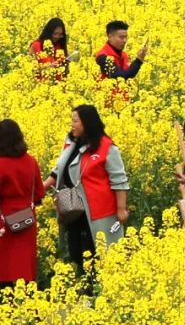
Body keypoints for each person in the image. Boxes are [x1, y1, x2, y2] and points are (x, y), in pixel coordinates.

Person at [42, 105, 130, 272]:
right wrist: (42, 187)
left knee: (101, 252)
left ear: (87, 123)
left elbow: (119, 180)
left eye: (75, 121)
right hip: (74, 209)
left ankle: (101, 291)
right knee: (77, 251)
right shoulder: (71, 143)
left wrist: (121, 209)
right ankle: (86, 291)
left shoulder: (106, 147)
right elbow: (57, 170)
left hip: (99, 211)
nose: (72, 124)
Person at [0, 120, 46, 290]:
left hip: (3, 222)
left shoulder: (1, 164)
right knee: (24, 264)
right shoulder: (31, 161)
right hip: (26, 219)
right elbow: (40, 193)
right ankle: (30, 306)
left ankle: (7, 308)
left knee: (4, 266)